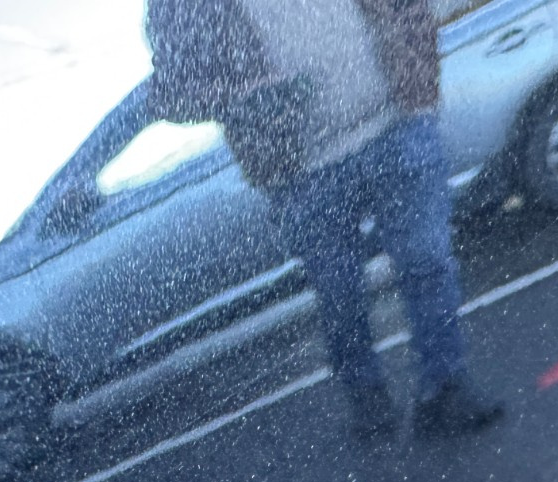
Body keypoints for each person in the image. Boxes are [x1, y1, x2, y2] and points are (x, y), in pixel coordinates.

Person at [146, 0, 502, 440]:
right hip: (300, 172)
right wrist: (245, 92)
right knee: (340, 294)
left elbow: (411, 7)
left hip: (397, 126)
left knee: (428, 262)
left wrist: (417, 61)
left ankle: (445, 387)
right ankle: (366, 395)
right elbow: (169, 93)